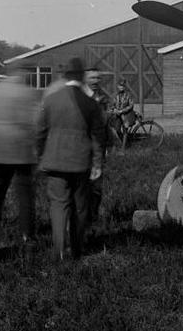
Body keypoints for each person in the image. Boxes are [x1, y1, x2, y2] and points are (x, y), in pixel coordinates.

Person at [36, 57, 105, 261]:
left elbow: (40, 132)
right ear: (82, 76)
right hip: (80, 163)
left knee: (58, 206)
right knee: (80, 207)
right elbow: (98, 137)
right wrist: (98, 164)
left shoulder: (50, 99)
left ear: (65, 76)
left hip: (54, 162)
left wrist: (40, 156)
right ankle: (76, 250)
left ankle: (58, 251)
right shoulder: (91, 103)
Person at [0, 67, 39, 251]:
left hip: (0, 149)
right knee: (25, 196)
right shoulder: (29, 93)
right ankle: (27, 235)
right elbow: (37, 120)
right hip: (23, 151)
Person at [83, 68, 111, 223]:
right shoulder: (79, 96)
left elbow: (105, 123)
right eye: (92, 77)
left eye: (98, 78)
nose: (95, 81)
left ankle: (93, 216)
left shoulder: (102, 97)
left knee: (96, 185)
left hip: (98, 148)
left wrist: (107, 144)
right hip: (82, 146)